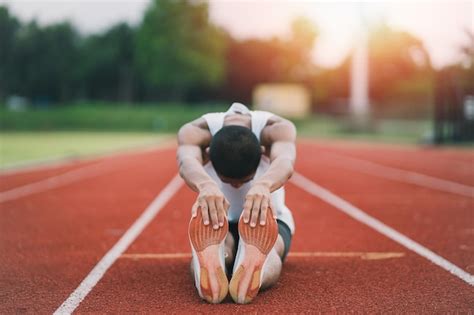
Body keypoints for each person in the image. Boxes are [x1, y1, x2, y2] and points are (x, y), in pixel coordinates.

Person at [177, 102, 296, 304]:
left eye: (244, 181)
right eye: (227, 182)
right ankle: (259, 271)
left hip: (224, 219)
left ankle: (221, 257)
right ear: (209, 155)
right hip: (254, 218)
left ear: (261, 150)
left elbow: (285, 161)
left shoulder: (276, 129)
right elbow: (187, 161)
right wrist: (206, 185)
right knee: (272, 249)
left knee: (226, 247)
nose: (236, 186)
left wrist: (263, 185)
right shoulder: (195, 132)